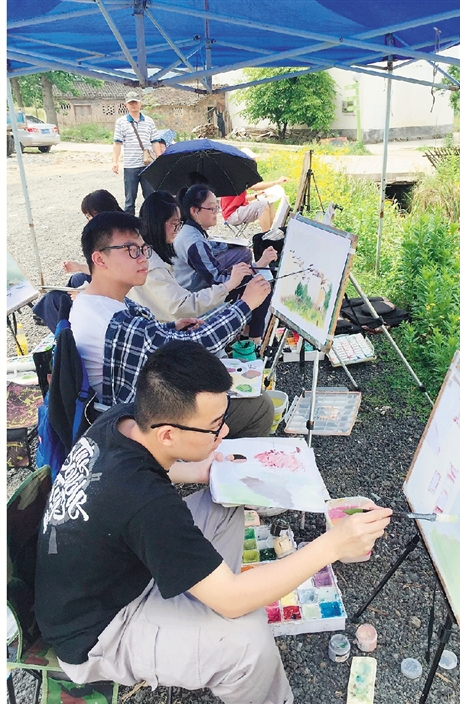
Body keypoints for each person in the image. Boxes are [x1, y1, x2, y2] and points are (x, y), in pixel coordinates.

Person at [35, 339, 392, 703]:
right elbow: (232, 599)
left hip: (112, 571)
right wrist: (331, 545)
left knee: (224, 500)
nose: (224, 433)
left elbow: (136, 476)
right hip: (100, 631)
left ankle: (205, 603)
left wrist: (197, 470)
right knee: (248, 642)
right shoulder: (147, 504)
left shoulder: (124, 420)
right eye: (213, 427)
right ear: (168, 434)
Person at [69, 211, 274, 438]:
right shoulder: (113, 323)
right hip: (138, 422)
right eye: (131, 250)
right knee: (259, 408)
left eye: (144, 249)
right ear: (100, 259)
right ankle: (205, 457)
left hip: (142, 401)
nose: (143, 258)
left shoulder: (90, 301)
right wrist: (246, 305)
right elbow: (194, 345)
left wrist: (171, 328)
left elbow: (145, 338)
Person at [173, 185, 277, 342]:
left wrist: (246, 270)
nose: (216, 213)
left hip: (194, 287)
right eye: (212, 209)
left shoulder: (190, 230)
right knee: (262, 286)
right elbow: (217, 280)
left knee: (248, 266)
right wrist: (249, 272)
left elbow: (213, 250)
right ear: (195, 211)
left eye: (216, 207)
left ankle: (247, 334)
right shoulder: (194, 241)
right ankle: (254, 340)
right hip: (197, 295)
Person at [130, 191, 250, 321]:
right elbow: (180, 307)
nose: (177, 230)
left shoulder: (148, 250)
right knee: (239, 308)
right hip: (171, 319)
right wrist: (229, 285)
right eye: (175, 224)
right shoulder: (151, 263)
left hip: (176, 308)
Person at [32, 190, 123, 331]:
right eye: (87, 216)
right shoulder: (119, 227)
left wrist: (85, 296)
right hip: (114, 283)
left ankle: (66, 335)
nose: (88, 220)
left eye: (90, 215)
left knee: (54, 299)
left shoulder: (117, 238)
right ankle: (48, 313)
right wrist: (79, 266)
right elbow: (106, 269)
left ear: (102, 212)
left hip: (118, 294)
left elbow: (118, 279)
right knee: (77, 278)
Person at [112, 91, 163, 215]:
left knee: (151, 198)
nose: (133, 105)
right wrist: (115, 162)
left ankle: (151, 222)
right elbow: (117, 143)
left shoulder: (149, 121)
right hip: (130, 166)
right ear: (126, 105)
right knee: (130, 200)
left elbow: (155, 141)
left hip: (148, 165)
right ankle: (129, 224)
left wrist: (160, 160)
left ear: (140, 103)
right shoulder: (121, 122)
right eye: (131, 103)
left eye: (135, 102)